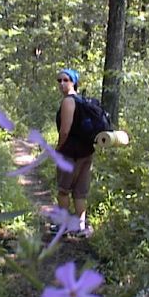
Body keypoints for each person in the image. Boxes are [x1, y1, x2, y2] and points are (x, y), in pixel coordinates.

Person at [55, 68, 94, 236]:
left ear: (74, 82)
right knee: (80, 192)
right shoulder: (83, 101)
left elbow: (65, 131)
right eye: (59, 81)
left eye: (66, 80)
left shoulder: (68, 102)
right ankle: (81, 226)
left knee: (64, 190)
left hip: (70, 154)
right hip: (87, 152)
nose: (62, 84)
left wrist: (58, 148)